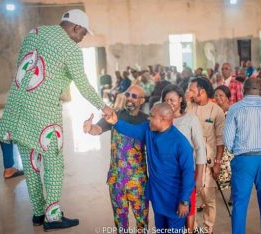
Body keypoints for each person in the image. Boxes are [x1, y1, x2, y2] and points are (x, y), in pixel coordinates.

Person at [0, 9, 113, 231]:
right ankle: (53, 216)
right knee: (54, 163)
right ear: (75, 27)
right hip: (44, 112)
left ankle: (39, 213)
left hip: (17, 108)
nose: (82, 39)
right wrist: (104, 107)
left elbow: (22, 65)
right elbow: (83, 85)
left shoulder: (34, 33)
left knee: (30, 164)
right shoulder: (71, 50)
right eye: (83, 34)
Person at [104, 103, 195, 233]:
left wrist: (185, 200)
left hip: (175, 200)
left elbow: (188, 174)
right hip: (157, 198)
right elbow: (133, 130)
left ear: (163, 119)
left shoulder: (181, 143)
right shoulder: (149, 130)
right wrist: (115, 122)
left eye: (152, 116)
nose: (148, 118)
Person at [223, 78, 261, 234]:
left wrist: (237, 151)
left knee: (240, 203)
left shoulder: (235, 109)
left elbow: (228, 140)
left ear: (244, 90)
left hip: (244, 160)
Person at [83, 85, 149, 233]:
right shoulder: (115, 114)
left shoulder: (147, 120)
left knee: (142, 222)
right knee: (120, 222)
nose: (130, 98)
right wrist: (90, 128)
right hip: (116, 180)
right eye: (128, 94)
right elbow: (98, 129)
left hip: (138, 182)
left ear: (142, 100)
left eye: (134, 96)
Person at [161, 84, 206, 233]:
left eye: (172, 99)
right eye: (166, 100)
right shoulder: (161, 119)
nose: (169, 103)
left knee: (188, 206)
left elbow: (200, 149)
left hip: (187, 172)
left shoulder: (190, 118)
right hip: (167, 175)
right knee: (172, 209)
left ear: (181, 99)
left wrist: (199, 177)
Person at [187, 77, 225, 233]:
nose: (189, 93)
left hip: (208, 163)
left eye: (192, 89)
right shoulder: (189, 107)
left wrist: (217, 163)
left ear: (201, 90)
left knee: (208, 200)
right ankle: (194, 229)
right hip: (190, 162)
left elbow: (220, 140)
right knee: (190, 199)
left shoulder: (216, 111)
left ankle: (208, 229)